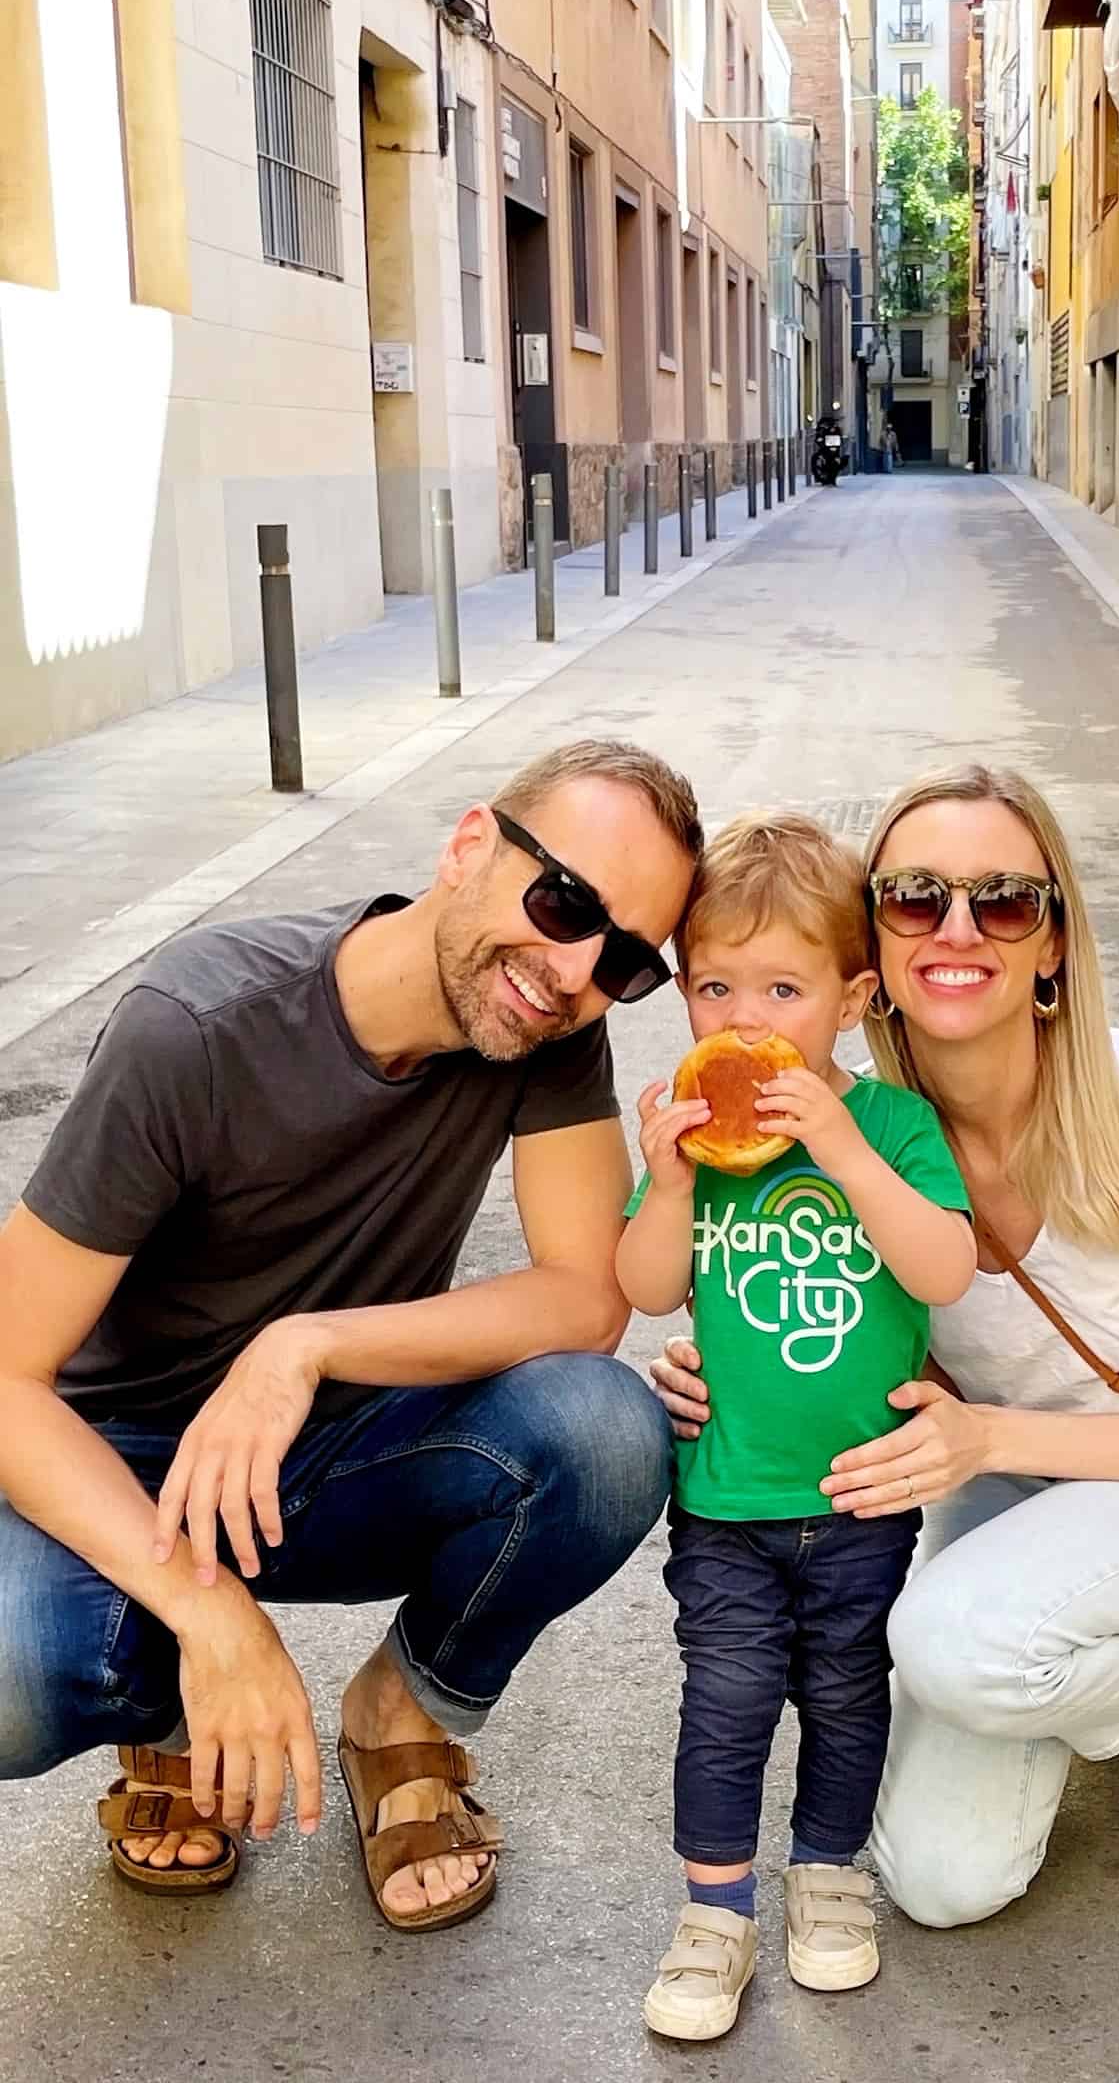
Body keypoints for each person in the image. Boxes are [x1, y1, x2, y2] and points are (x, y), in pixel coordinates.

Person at [0, 738, 700, 1934]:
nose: (577, 969)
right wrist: (209, 1614)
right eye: (564, 901)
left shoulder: (546, 1024)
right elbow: (8, 1376)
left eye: (627, 961)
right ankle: (168, 1714)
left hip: (342, 1453)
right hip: (127, 1465)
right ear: (471, 845)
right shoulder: (196, 1028)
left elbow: (585, 1295)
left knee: (608, 1428)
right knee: (11, 1680)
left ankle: (400, 1715)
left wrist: (303, 1345)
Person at [651, 763, 1119, 1926]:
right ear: (872, 964)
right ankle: (1091, 1641)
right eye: (915, 897)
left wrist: (987, 1437)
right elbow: (776, 1286)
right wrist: (731, 1360)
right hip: (1019, 1482)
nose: (957, 929)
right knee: (939, 1882)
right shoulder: (845, 1129)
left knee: (949, 1640)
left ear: (1053, 941)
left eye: (1003, 901)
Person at [619, 814, 974, 2038]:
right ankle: (712, 1916)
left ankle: (829, 1880)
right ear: (684, 996)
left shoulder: (891, 1128)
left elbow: (942, 1268)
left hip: (863, 1497)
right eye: (716, 988)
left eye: (783, 987)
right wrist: (667, 1181)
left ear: (852, 997)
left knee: (846, 1691)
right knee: (722, 1703)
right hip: (724, 1498)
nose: (745, 1019)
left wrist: (838, 1140)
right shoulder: (690, 1133)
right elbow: (649, 1284)